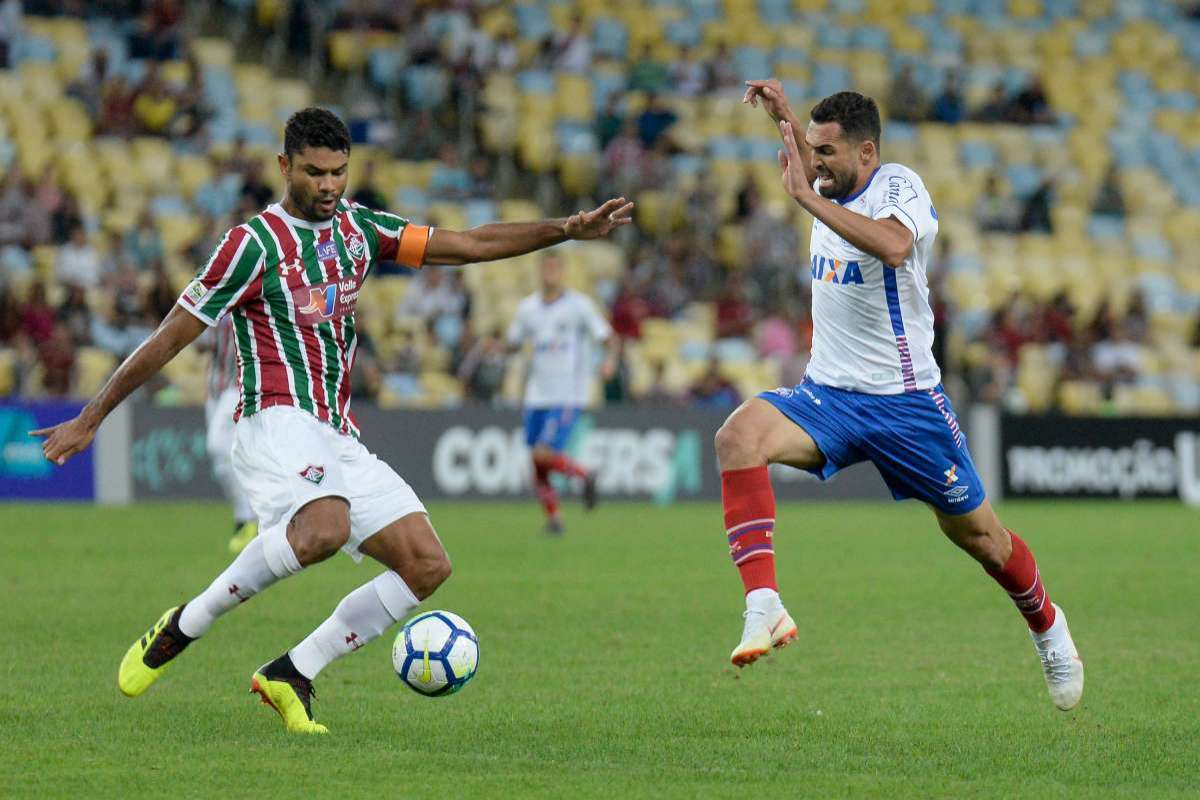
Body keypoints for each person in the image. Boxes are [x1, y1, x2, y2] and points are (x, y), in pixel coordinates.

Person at [32, 108, 633, 734]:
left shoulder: (358, 229)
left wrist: (566, 228)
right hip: (273, 418)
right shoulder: (252, 245)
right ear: (284, 166)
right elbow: (171, 335)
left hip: (335, 430)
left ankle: (292, 672)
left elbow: (470, 244)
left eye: (338, 172)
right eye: (314, 172)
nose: (327, 186)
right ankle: (186, 624)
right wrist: (92, 417)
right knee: (325, 526)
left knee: (426, 565)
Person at [730, 81, 1082, 711]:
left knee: (984, 540)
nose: (815, 163)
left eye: (827, 152)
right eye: (812, 150)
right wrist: (783, 115)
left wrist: (806, 196)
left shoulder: (900, 186)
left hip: (907, 405)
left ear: (867, 152)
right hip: (829, 395)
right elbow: (810, 166)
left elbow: (894, 246)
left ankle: (1048, 626)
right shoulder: (826, 183)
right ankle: (764, 604)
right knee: (738, 437)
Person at [506, 254, 617, 535]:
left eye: (555, 268)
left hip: (567, 394)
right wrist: (497, 347)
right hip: (536, 395)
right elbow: (513, 342)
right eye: (546, 268)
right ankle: (554, 519)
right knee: (536, 462)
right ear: (539, 272)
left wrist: (609, 361)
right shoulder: (528, 308)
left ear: (563, 272)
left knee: (543, 453)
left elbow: (608, 338)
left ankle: (585, 475)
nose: (550, 274)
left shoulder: (579, 306)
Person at [204, 314, 259, 554]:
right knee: (224, 462)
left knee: (217, 445)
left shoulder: (248, 295)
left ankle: (248, 518)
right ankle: (247, 519)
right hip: (214, 386)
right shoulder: (210, 298)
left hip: (238, 386)